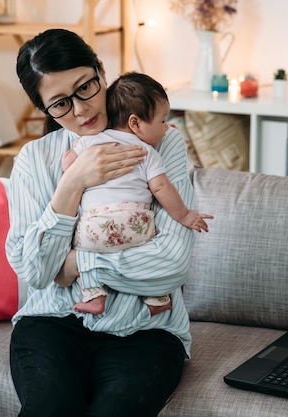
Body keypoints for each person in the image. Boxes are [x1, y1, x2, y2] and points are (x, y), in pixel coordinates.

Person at [7, 28, 196, 417]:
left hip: (146, 330)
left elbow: (172, 264)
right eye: (59, 104)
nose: (80, 110)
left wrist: (78, 264)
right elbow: (34, 271)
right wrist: (73, 183)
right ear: (44, 110)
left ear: (101, 70)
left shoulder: (162, 141)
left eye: (85, 87)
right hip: (51, 324)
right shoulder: (35, 159)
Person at [62, 71, 213, 316]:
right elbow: (162, 188)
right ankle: (157, 298)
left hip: (95, 229)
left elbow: (69, 168)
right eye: (162, 121)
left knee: (82, 250)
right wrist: (184, 216)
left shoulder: (90, 143)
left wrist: (69, 160)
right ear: (135, 123)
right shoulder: (147, 153)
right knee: (148, 249)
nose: (166, 128)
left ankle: (94, 295)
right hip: (137, 226)